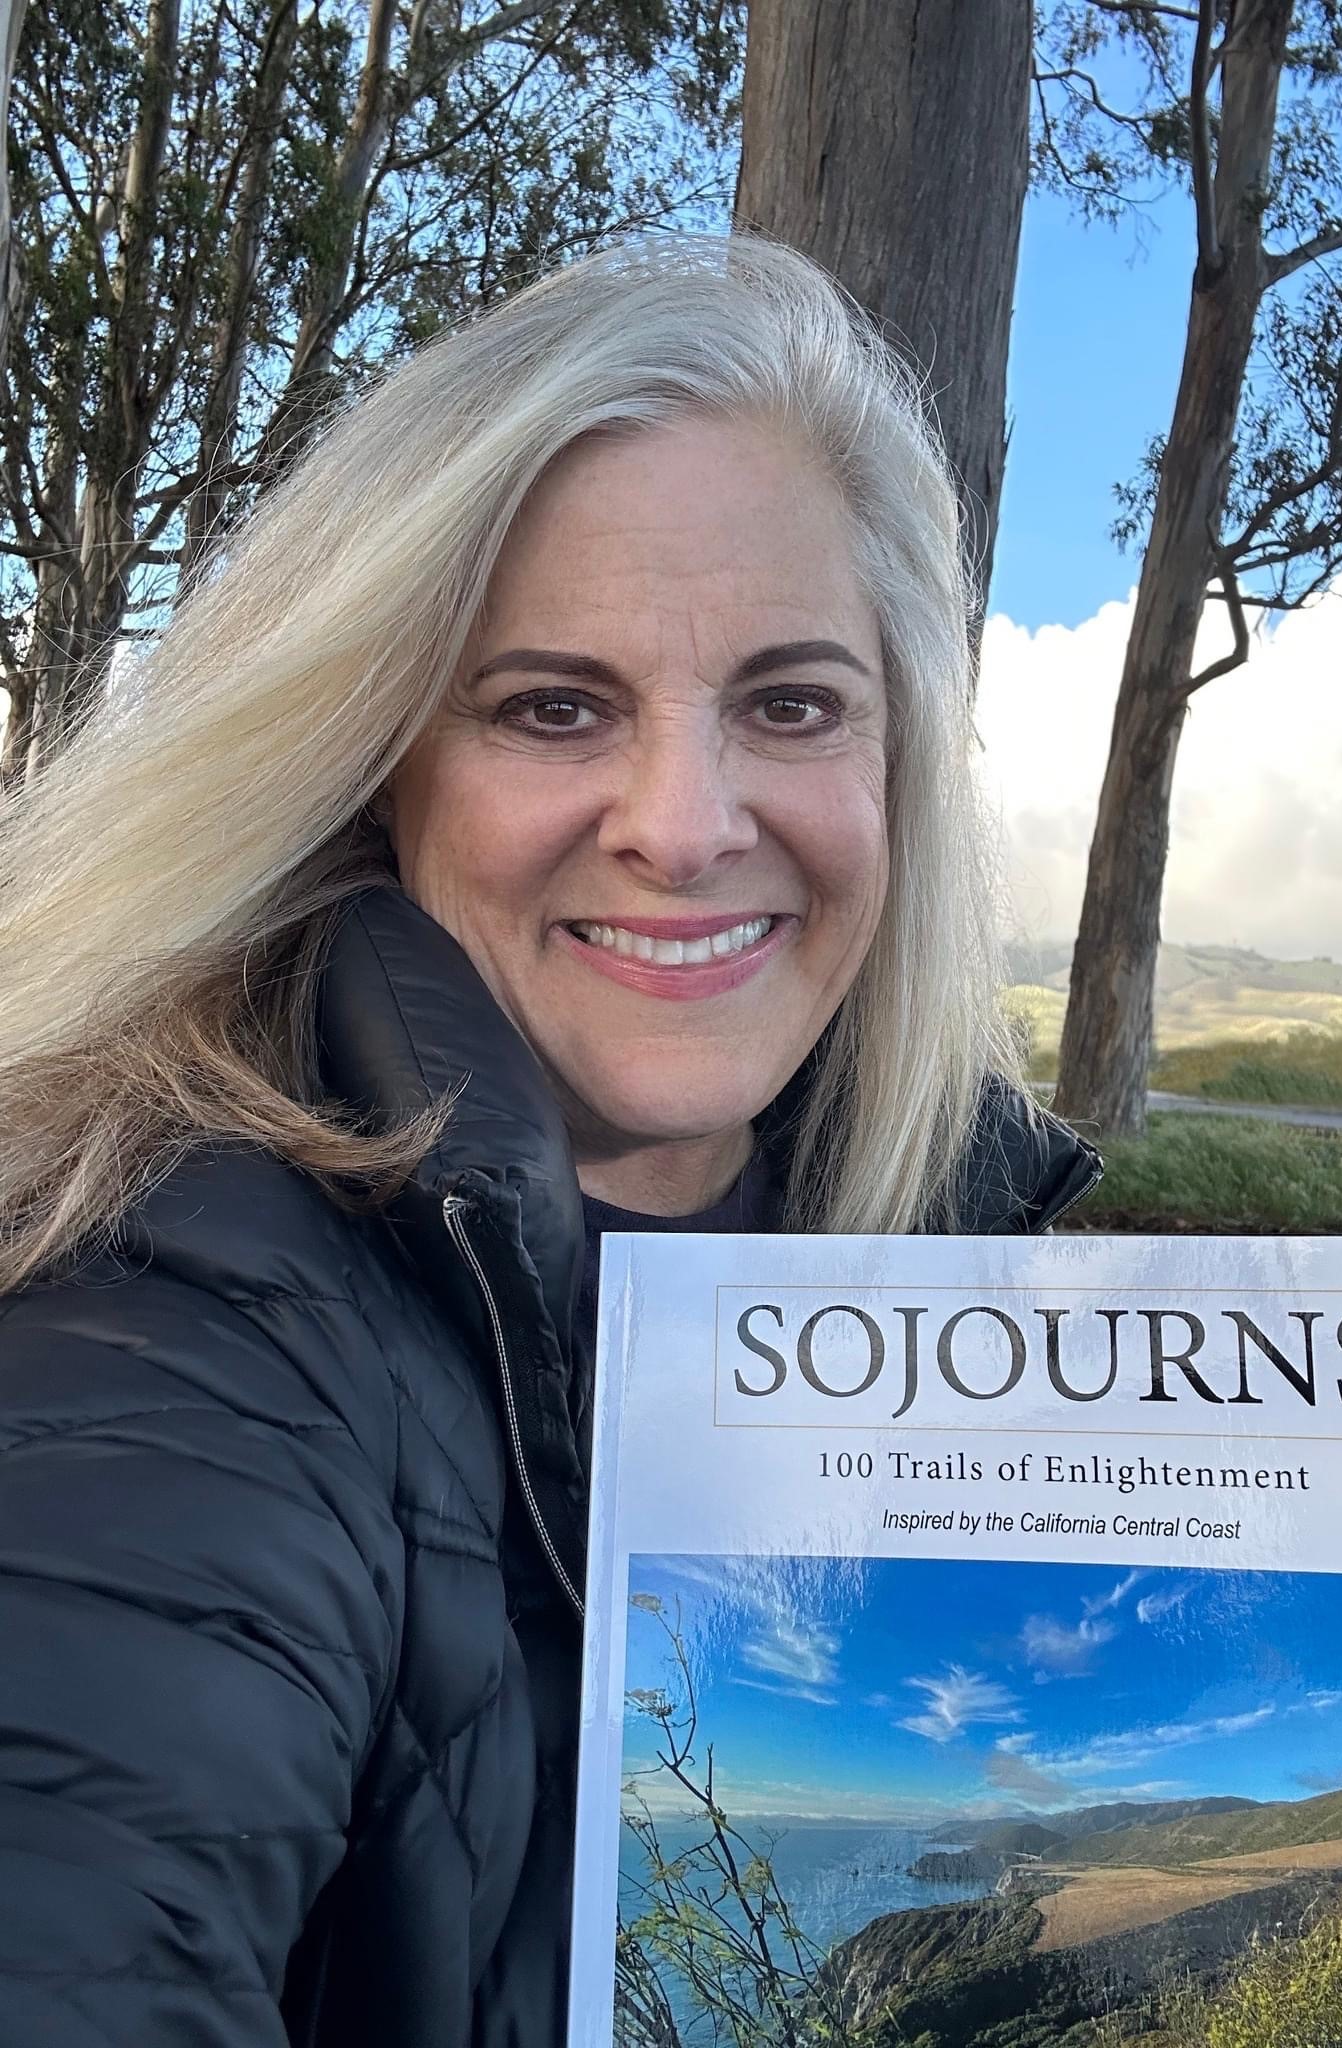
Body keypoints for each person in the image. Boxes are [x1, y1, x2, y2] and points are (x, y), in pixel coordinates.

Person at [0, 233, 1102, 2046]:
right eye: (553, 707)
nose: (683, 826)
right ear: (376, 765)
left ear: (893, 766)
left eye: (790, 702)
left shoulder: (963, 1266)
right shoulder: (180, 1313)